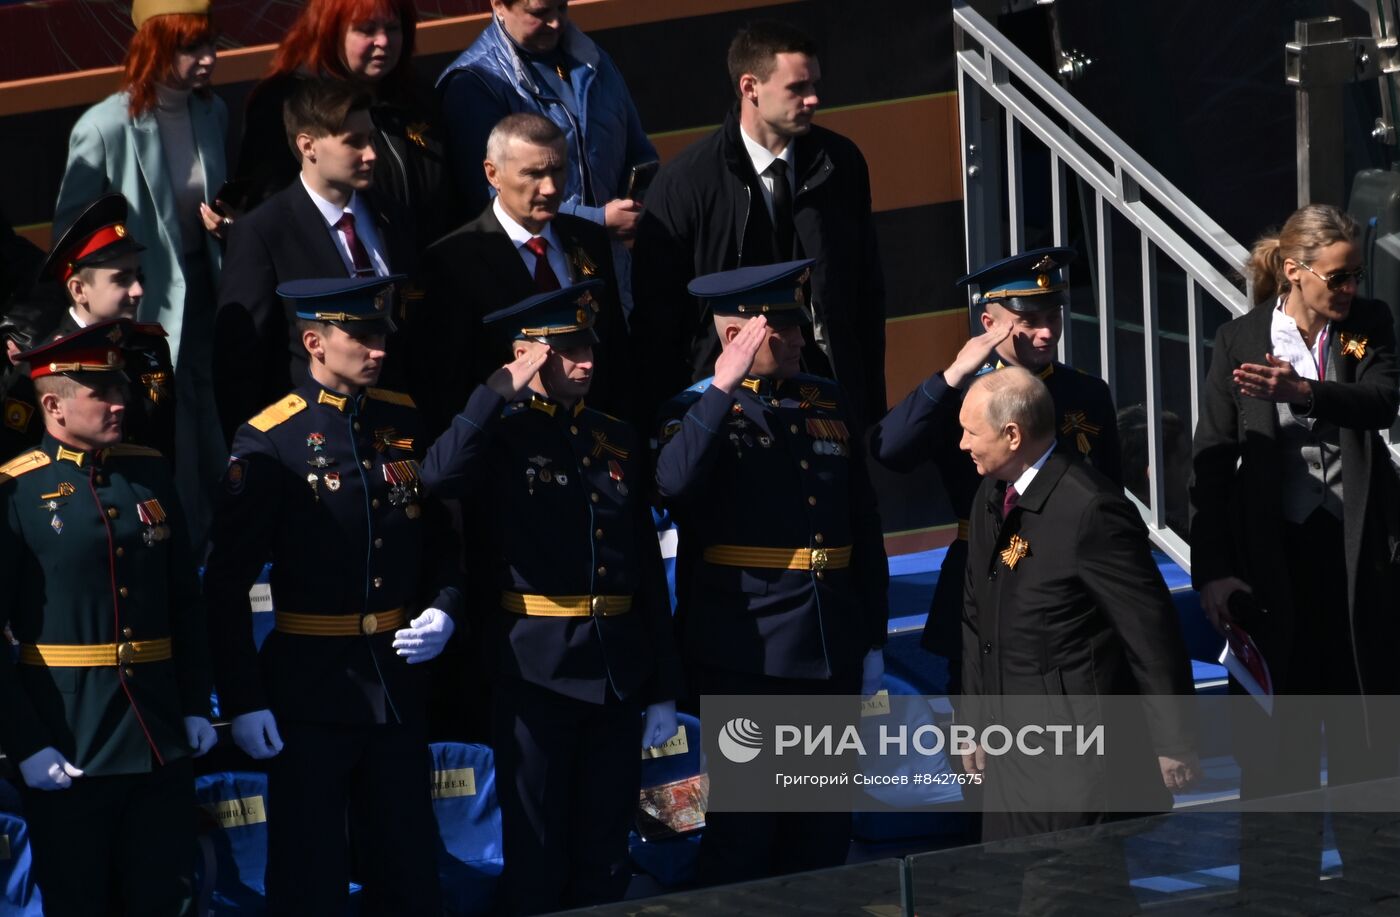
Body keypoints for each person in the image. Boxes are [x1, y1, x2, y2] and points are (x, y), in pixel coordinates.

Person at [203, 275, 459, 916]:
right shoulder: (271, 439)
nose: (378, 349)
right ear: (315, 342)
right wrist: (244, 700)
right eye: (362, 336)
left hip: (396, 681)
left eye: (382, 335)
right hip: (311, 688)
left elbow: (442, 538)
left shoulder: (401, 417)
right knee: (310, 873)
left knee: (407, 868)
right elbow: (227, 581)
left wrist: (447, 607)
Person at [422, 280, 680, 914]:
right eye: (567, 350)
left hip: (615, 667)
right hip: (534, 670)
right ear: (528, 354)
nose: (586, 361)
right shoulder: (498, 433)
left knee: (605, 852)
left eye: (588, 345)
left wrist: (665, 685)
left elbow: (643, 564)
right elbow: (437, 477)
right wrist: (493, 393)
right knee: (536, 855)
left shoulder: (613, 434)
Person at [653, 260, 888, 884]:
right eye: (782, 329)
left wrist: (872, 637)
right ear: (738, 337)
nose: (801, 340)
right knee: (747, 834)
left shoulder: (826, 398)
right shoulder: (693, 410)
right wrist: (721, 388)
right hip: (746, 653)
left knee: (822, 830)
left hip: (828, 640)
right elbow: (673, 484)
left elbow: (861, 523)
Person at [1189, 204, 1400, 897]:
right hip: (1274, 572)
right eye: (1335, 279)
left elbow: (1381, 402)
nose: (1347, 290)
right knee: (1276, 768)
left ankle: (1375, 895)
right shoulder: (1239, 339)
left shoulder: (1367, 326)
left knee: (1366, 757)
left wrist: (1304, 392)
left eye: (1353, 277)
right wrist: (1214, 571)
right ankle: (1279, 899)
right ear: (1294, 270)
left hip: (1353, 567)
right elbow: (1213, 463)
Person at [0, 318, 215, 916]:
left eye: (121, 387)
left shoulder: (148, 470)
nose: (121, 402)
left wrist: (196, 700)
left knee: (166, 896)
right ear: (53, 404)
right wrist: (27, 744)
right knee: (80, 898)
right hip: (71, 742)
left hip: (158, 733)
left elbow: (184, 602)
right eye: (102, 392)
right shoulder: (14, 492)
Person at [870, 247, 1121, 695]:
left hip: (1073, 580)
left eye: (1054, 317)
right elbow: (890, 449)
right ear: (990, 324)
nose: (1047, 333)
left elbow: (1109, 488)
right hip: (984, 577)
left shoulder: (1085, 392)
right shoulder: (960, 394)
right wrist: (952, 376)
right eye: (1029, 322)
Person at [632, 20, 886, 428]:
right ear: (750, 88)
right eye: (797, 88)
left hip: (831, 404)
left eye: (814, 84)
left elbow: (866, 297)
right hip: (727, 416)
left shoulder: (842, 164)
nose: (813, 99)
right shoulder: (685, 185)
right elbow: (658, 327)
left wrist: (869, 408)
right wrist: (679, 426)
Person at [54, 0, 229, 546]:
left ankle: (220, 537)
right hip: (140, 304)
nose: (207, 58)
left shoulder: (213, 112)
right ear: (155, 49)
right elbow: (71, 238)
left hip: (208, 289)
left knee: (213, 416)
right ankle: (169, 536)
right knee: (163, 422)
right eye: (190, 47)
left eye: (209, 44)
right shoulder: (105, 126)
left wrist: (225, 224)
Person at [215, 78, 415, 445]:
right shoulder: (263, 232)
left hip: (395, 434)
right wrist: (256, 453)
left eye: (370, 138)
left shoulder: (392, 217)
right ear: (308, 145)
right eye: (354, 142)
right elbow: (240, 361)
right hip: (311, 442)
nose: (371, 154)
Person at [415, 113, 631, 433]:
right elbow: (448, 381)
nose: (550, 187)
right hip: (507, 445)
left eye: (558, 170)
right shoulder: (453, 260)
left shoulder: (589, 238)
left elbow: (614, 350)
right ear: (493, 174)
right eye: (533, 174)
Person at [437, 0, 655, 309]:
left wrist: (636, 200)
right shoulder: (474, 84)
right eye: (539, 13)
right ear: (499, 5)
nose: (555, 22)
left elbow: (639, 151)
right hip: (534, 279)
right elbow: (490, 200)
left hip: (614, 274)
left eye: (561, 8)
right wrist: (596, 221)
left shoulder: (595, 61)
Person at [234, 0, 456, 245]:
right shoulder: (287, 102)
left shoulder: (417, 95)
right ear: (332, 33)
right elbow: (270, 213)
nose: (382, 41)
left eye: (393, 29)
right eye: (366, 30)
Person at [38, 194, 177, 462]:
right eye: (121, 280)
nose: (138, 290)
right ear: (79, 290)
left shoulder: (149, 346)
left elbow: (164, 443)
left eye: (138, 276)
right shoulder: (48, 361)